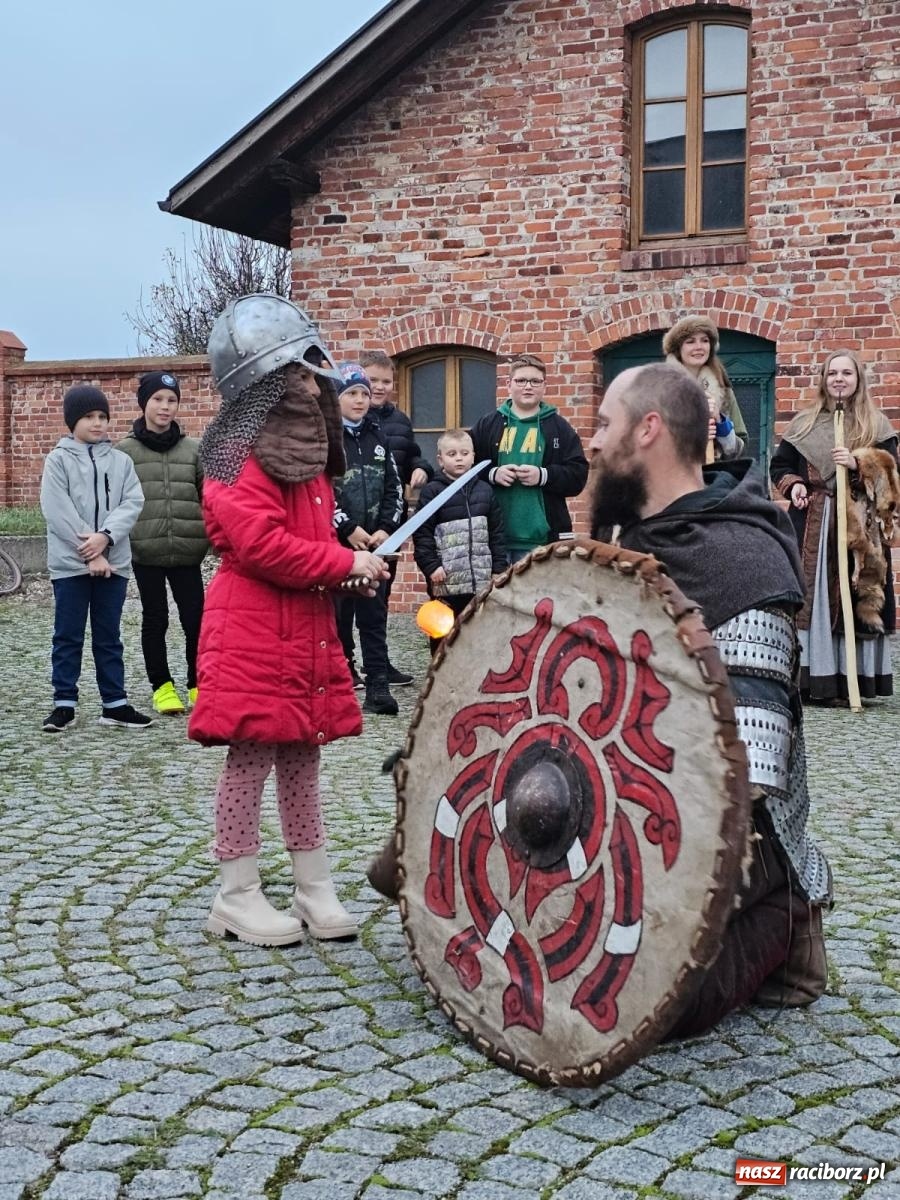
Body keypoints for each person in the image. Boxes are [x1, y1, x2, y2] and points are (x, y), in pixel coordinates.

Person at [589, 362, 831, 1035]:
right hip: (627, 805)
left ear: (648, 430)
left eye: (604, 423)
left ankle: (787, 920)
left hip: (731, 836)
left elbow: (747, 777)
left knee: (621, 1006)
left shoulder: (742, 562)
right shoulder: (633, 545)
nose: (593, 442)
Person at [189, 295, 389, 947]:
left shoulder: (301, 450)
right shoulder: (234, 452)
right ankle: (236, 894)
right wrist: (342, 566)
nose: (313, 382)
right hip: (250, 623)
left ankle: (313, 887)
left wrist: (353, 561)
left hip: (301, 622)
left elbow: (312, 537)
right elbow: (259, 546)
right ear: (265, 380)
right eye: (301, 371)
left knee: (304, 757)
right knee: (250, 758)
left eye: (312, 370)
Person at [771, 350, 898, 703]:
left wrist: (861, 463)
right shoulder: (804, 424)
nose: (839, 379)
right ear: (824, 381)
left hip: (861, 527)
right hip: (813, 521)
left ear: (858, 380)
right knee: (813, 597)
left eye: (846, 373)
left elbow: (891, 478)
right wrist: (794, 485)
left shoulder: (876, 425)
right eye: (832, 374)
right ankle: (813, 681)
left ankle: (853, 681)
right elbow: (780, 466)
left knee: (855, 595)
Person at [40, 385, 152, 732]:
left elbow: (132, 503)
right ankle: (64, 704)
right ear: (73, 421)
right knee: (68, 634)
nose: (98, 423)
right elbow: (57, 510)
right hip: (71, 565)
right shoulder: (57, 461)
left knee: (109, 635)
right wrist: (89, 552)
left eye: (102, 416)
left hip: (113, 562)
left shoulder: (121, 461)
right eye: (89, 416)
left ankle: (114, 703)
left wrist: (105, 538)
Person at [116, 371, 208, 715]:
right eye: (157, 399)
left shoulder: (194, 449)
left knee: (196, 619)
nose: (165, 407)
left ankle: (199, 683)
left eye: (171, 400)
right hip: (146, 551)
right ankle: (162, 686)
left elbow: (208, 497)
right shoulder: (124, 452)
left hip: (188, 549)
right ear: (144, 404)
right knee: (155, 618)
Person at [332, 363, 405, 716]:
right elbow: (322, 493)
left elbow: (395, 488)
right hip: (339, 548)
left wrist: (386, 530)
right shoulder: (328, 440)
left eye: (363, 393)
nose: (360, 400)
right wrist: (347, 529)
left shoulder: (379, 436)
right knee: (338, 617)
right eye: (352, 394)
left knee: (373, 617)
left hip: (377, 546)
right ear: (338, 398)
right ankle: (341, 680)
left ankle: (377, 685)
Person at [360, 349, 434, 685]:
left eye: (385, 381)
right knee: (346, 599)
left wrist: (419, 469)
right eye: (371, 380)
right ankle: (344, 662)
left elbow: (414, 457)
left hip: (389, 524)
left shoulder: (400, 422)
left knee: (380, 598)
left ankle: (378, 662)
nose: (378, 387)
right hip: (353, 527)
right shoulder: (345, 417)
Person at [469, 354, 588, 562]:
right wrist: (492, 474)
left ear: (544, 386)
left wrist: (543, 476)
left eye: (535, 381)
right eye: (521, 381)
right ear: (508, 384)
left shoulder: (559, 427)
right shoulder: (488, 424)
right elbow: (463, 470)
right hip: (493, 540)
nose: (528, 387)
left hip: (542, 541)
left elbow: (578, 475)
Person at [412, 428, 508, 652]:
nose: (459, 459)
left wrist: (499, 567)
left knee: (478, 632)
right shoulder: (432, 492)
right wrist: (431, 565)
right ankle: (440, 681)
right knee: (443, 635)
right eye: (452, 454)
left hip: (480, 579)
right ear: (440, 459)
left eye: (464, 453)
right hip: (446, 580)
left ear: (473, 456)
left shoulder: (485, 490)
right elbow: (422, 533)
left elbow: (496, 532)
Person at [663, 315, 748, 460]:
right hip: (675, 479)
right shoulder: (660, 390)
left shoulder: (724, 392)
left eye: (705, 340)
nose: (699, 347)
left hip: (717, 478)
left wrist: (720, 423)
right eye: (690, 341)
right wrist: (692, 437)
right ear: (678, 348)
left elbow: (740, 450)